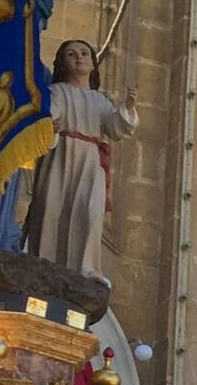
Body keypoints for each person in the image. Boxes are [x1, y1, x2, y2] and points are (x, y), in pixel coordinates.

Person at [20, 37, 139, 277]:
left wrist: (128, 108)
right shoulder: (56, 91)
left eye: (84, 53)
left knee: (90, 212)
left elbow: (115, 127)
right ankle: (45, 265)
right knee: (52, 210)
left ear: (93, 64)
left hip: (90, 162)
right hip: (61, 156)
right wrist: (50, 125)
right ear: (62, 63)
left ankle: (86, 269)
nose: (79, 57)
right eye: (71, 54)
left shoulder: (99, 100)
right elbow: (50, 113)